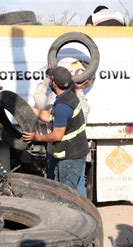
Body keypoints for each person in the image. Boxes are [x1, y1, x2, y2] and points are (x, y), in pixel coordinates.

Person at [23, 67, 89, 197]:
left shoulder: (62, 106)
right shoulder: (69, 96)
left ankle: (72, 216)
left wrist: (37, 137)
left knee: (67, 193)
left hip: (70, 156)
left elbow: (56, 135)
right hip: (77, 151)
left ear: (53, 84)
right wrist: (27, 108)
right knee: (75, 187)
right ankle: (84, 214)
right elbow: (49, 116)